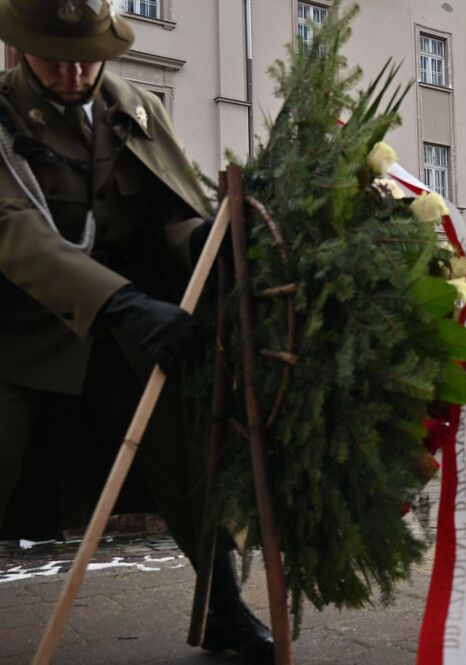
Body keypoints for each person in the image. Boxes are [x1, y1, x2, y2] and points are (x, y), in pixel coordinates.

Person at [0, 2, 273, 659]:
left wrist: (202, 239)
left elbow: (164, 217)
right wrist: (121, 304)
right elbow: (15, 231)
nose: (72, 71)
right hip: (19, 336)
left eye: (86, 54)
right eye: (53, 54)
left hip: (119, 331)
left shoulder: (134, 108)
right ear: (22, 47)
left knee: (187, 447)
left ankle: (221, 605)